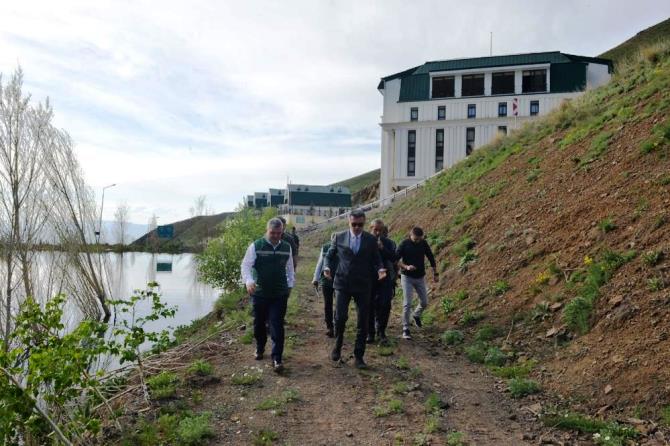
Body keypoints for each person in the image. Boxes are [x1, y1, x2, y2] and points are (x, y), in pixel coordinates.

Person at [323, 210, 386, 369]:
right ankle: (337, 346)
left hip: (363, 284)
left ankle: (359, 356)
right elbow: (329, 255)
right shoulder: (339, 237)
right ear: (348, 223)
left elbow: (377, 259)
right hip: (342, 283)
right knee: (341, 317)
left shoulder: (371, 240)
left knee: (362, 320)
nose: (357, 227)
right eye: (354, 224)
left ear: (364, 224)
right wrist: (326, 267)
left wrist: (380, 269)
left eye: (360, 224)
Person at [241, 217, 295, 372]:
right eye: (273, 233)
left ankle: (277, 358)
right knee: (259, 323)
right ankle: (260, 347)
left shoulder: (286, 247)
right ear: (267, 230)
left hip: (279, 293)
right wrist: (249, 281)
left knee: (277, 325)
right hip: (260, 293)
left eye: (279, 233)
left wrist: (290, 285)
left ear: (282, 231)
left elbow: (290, 268)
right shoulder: (256, 245)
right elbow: (245, 265)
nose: (276, 236)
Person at [396, 226, 438, 340]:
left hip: (420, 277)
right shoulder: (404, 244)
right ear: (411, 235)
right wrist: (406, 266)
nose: (418, 241)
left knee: (424, 302)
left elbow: (430, 256)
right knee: (407, 303)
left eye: (420, 239)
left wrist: (435, 273)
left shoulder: (423, 243)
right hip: (407, 277)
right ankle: (405, 328)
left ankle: (416, 315)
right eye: (416, 239)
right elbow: (396, 259)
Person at [367, 219, 397, 346]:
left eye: (381, 230)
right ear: (371, 229)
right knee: (369, 305)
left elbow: (394, 258)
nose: (378, 232)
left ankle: (381, 331)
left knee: (385, 305)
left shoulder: (389, 243)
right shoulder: (364, 240)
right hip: (369, 277)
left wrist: (382, 248)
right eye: (375, 230)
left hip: (385, 278)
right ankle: (370, 332)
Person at [312, 241, 336, 337]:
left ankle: (337, 324)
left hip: (340, 280)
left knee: (339, 304)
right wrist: (315, 279)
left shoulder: (344, 247)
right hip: (326, 280)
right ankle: (330, 326)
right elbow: (320, 263)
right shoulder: (325, 247)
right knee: (328, 303)